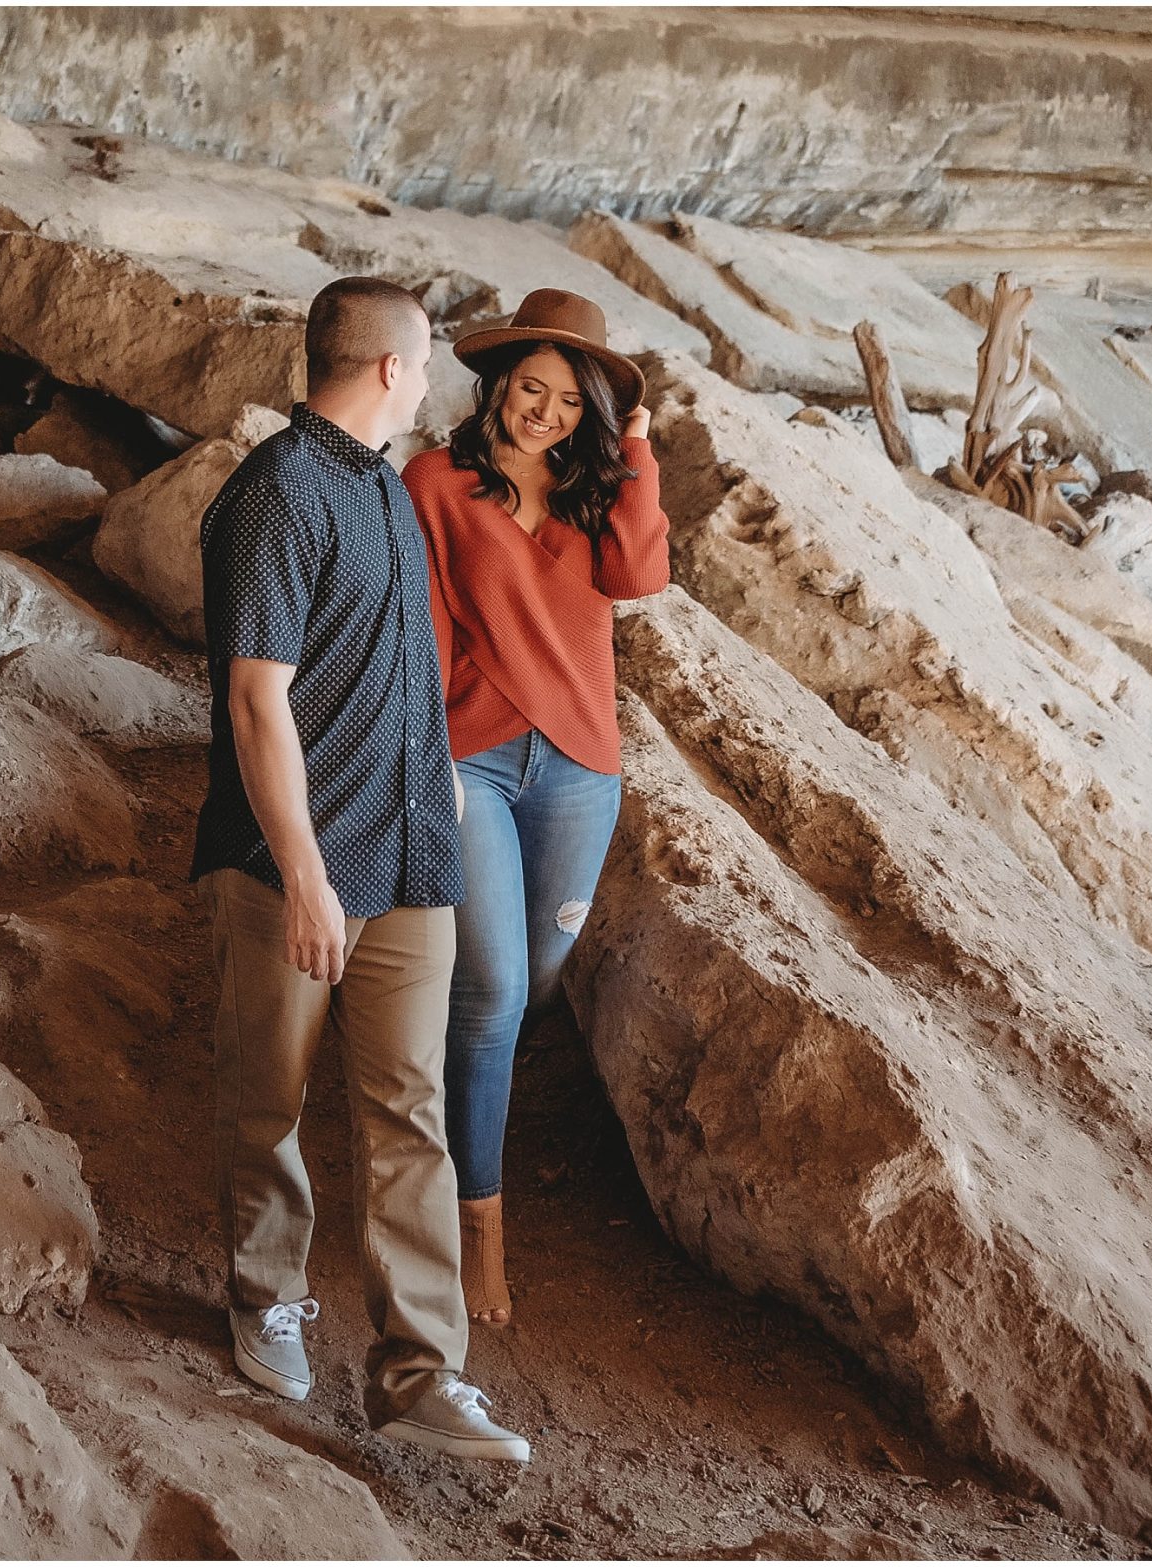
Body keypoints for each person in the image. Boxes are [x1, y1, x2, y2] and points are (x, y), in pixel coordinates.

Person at [192, 274, 531, 1463]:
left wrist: (433, 786)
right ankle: (262, 1294)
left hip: (407, 856)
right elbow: (253, 698)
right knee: (268, 1099)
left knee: (409, 1114)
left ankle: (421, 1371)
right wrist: (302, 874)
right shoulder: (274, 496)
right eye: (428, 356)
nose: (434, 375)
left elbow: (392, 664)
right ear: (391, 364)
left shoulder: (383, 487)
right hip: (296, 867)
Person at [401, 288, 671, 1327]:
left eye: (567, 398)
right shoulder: (434, 482)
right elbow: (420, 636)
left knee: (538, 984)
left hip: (577, 772)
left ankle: (430, 1086)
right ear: (497, 384)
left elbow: (642, 571)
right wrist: (418, 764)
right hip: (471, 762)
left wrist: (634, 445)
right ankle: (478, 1236)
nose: (543, 411)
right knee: (496, 992)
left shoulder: (593, 492)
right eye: (529, 389)